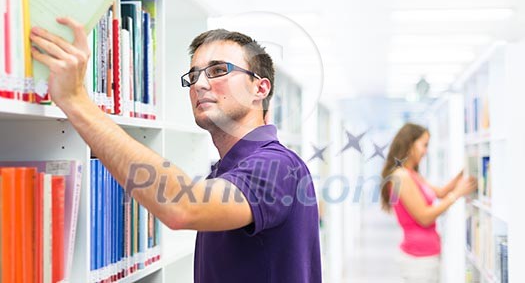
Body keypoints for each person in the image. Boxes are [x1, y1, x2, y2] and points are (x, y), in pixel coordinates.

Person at [30, 18, 322, 282]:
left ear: (260, 89)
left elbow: (183, 208)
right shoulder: (225, 171)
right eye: (193, 76)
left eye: (219, 70)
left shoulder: (277, 167)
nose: (201, 84)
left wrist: (75, 99)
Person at [380, 123, 477, 283]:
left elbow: (439, 192)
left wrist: (462, 174)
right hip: (419, 260)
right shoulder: (401, 177)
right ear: (410, 144)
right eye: (424, 145)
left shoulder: (411, 173)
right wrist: (457, 194)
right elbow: (424, 217)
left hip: (425, 256)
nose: (426, 151)